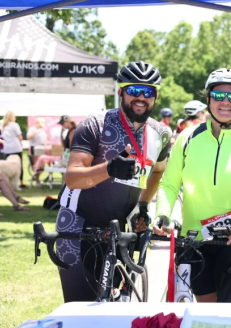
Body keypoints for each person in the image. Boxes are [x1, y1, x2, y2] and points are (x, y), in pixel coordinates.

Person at [155, 68, 231, 303]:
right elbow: (169, 184)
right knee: (204, 312)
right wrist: (162, 213)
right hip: (193, 240)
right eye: (218, 95)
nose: (225, 102)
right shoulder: (187, 138)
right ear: (208, 99)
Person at [55, 61, 171, 302]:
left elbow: (158, 171)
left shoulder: (161, 133)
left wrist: (142, 206)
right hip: (78, 224)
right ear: (120, 93)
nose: (141, 97)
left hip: (118, 229)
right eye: (133, 90)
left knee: (116, 306)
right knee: (81, 308)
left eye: (148, 91)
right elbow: (73, 178)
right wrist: (109, 168)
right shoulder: (95, 124)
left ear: (155, 96)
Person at [0, 111, 26, 189]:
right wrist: (20, 142)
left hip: (7, 148)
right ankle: (19, 183)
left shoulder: (3, 125)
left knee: (6, 167)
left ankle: (7, 184)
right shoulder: (15, 125)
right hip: (16, 148)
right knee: (18, 167)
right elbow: (20, 137)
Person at [27, 118, 49, 186]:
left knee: (42, 165)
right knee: (38, 165)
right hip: (35, 149)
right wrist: (36, 132)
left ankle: (42, 179)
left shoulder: (43, 130)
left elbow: (46, 138)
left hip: (42, 149)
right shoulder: (32, 129)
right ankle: (37, 181)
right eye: (42, 123)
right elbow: (28, 137)